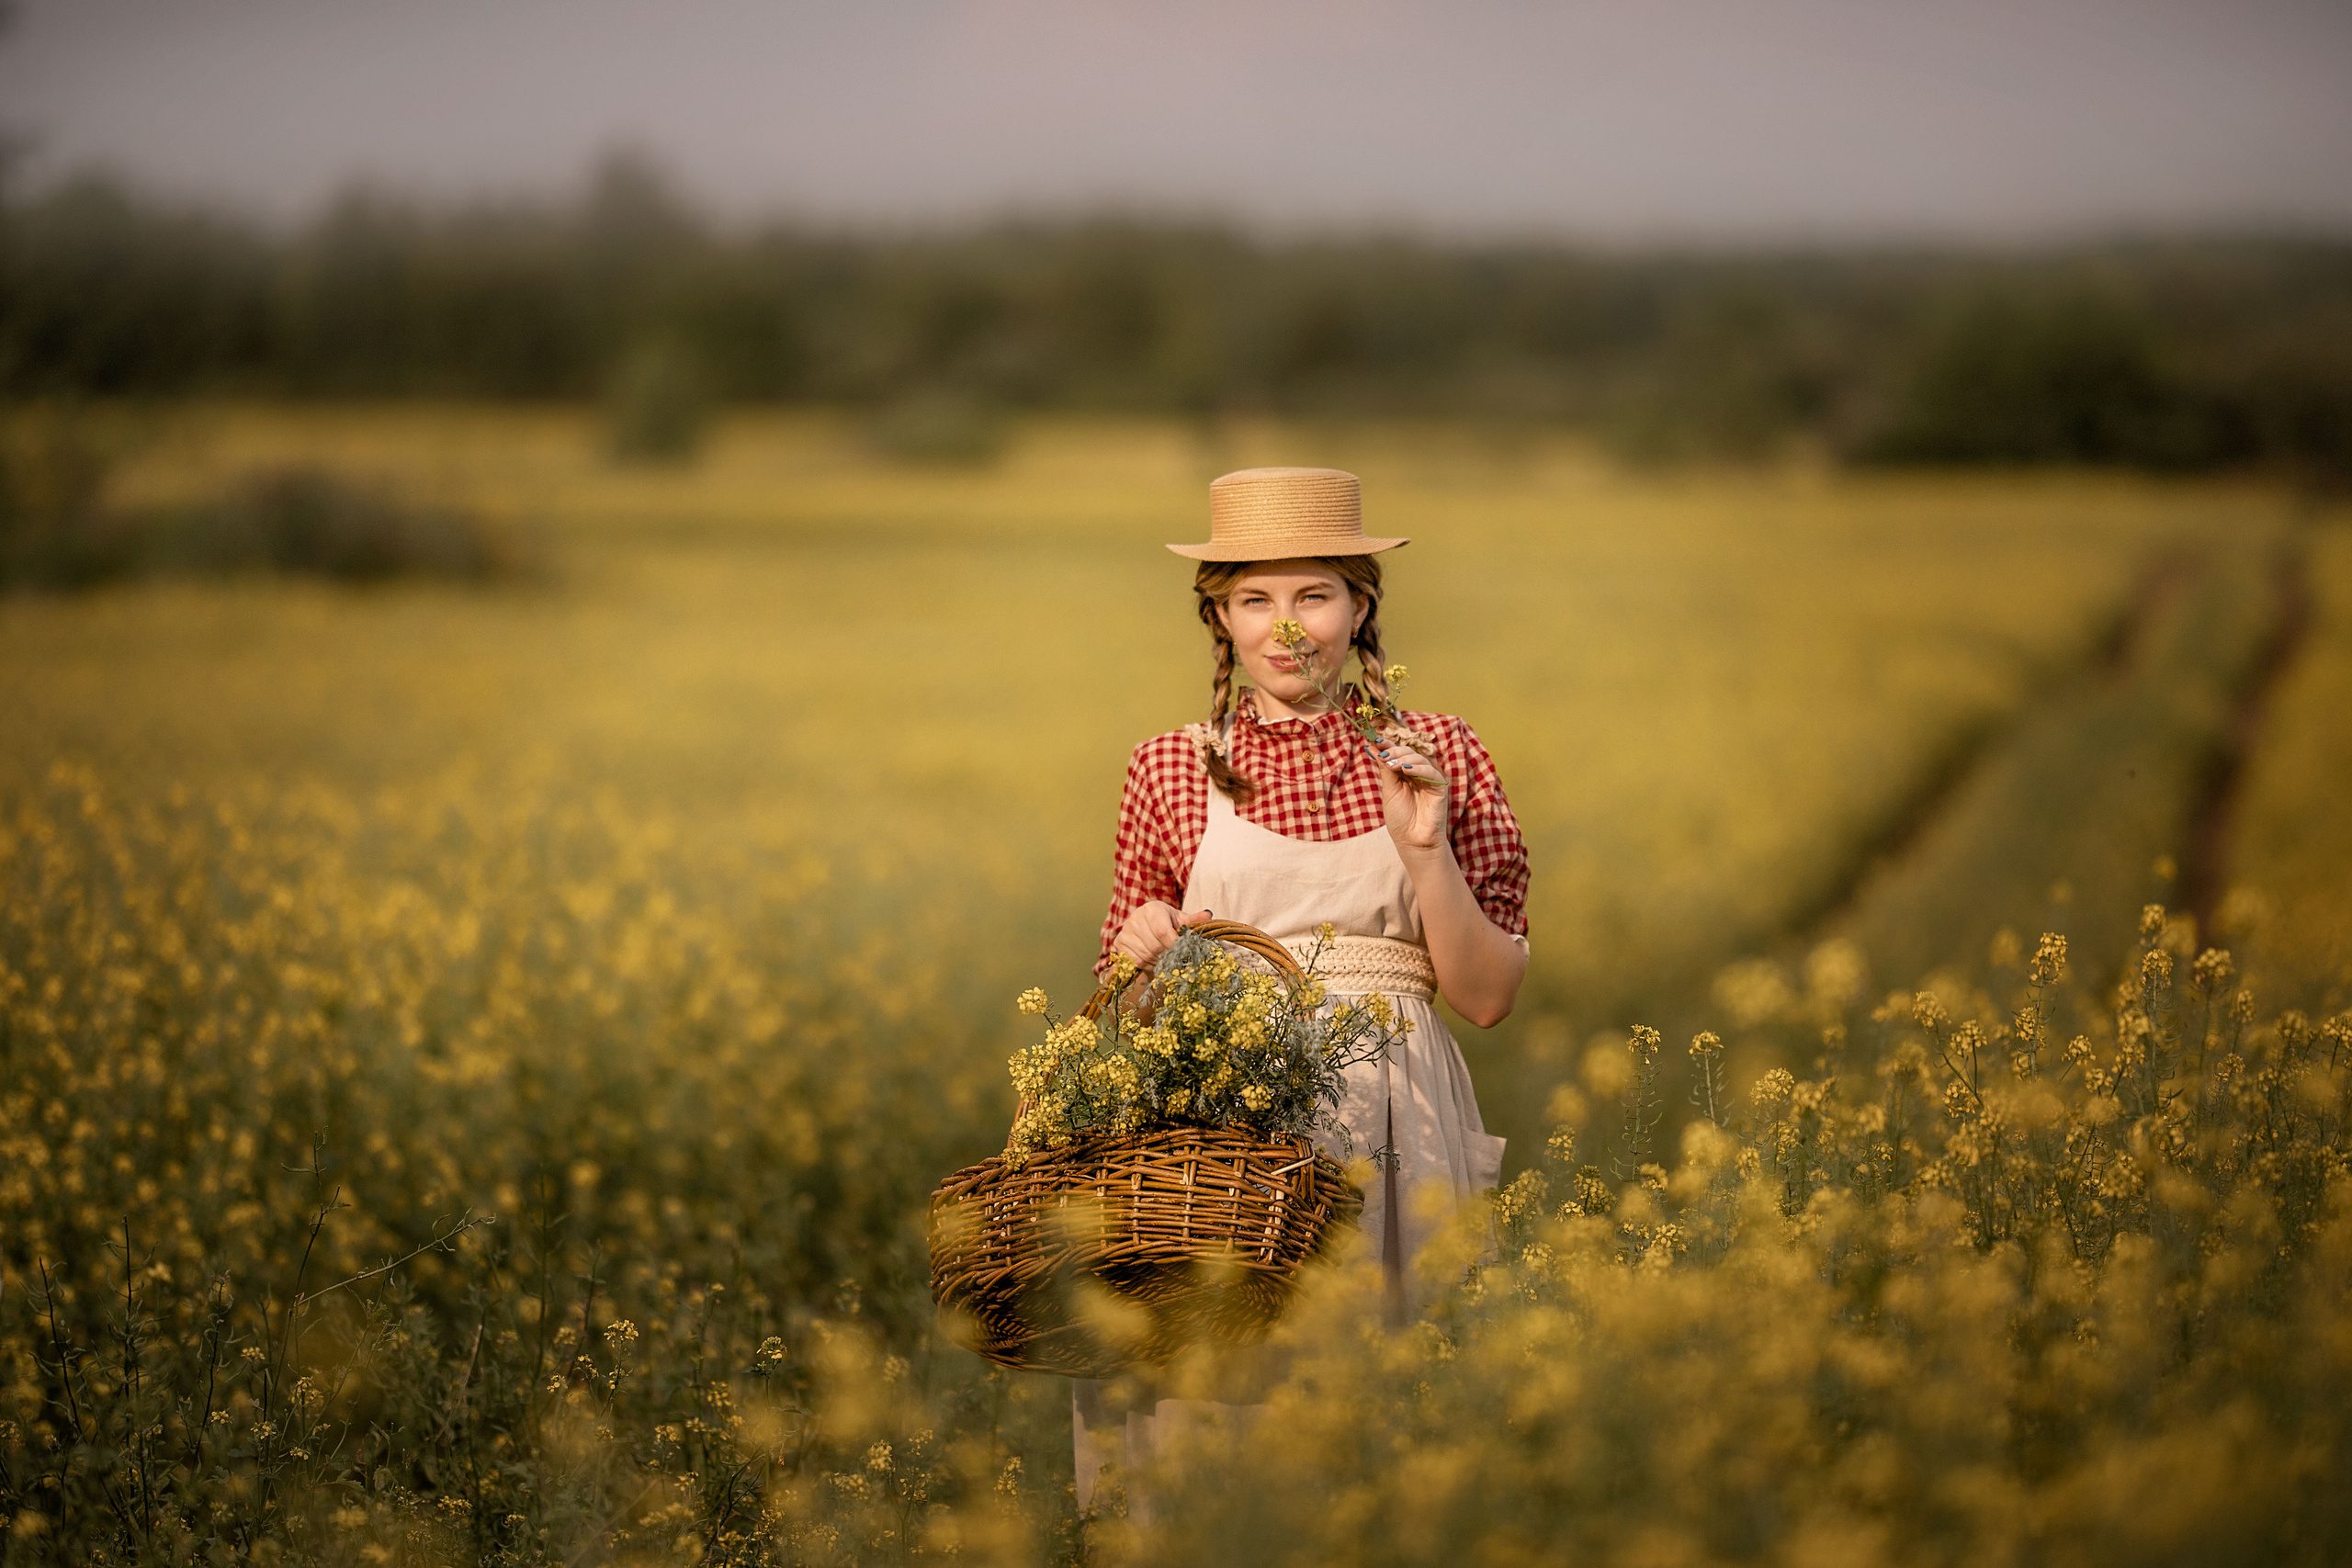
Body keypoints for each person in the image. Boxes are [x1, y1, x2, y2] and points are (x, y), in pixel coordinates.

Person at [1074, 465, 1530, 1511]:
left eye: (1313, 594)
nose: (1287, 630)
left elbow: (1490, 994)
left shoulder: (1437, 752)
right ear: (1219, 618)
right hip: (1220, 1135)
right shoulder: (1171, 768)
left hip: (1398, 1121)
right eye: (1254, 600)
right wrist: (1145, 954)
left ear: (1360, 605)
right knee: (1212, 1429)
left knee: (1394, 1427)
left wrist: (1425, 855)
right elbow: (1120, 1009)